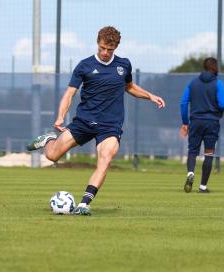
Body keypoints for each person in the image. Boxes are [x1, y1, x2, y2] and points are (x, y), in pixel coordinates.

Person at [27, 26, 165, 215]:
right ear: (97, 43)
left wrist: (150, 96)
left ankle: (84, 204)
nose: (106, 52)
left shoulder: (124, 65)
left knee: (106, 158)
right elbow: (69, 94)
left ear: (116, 47)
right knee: (52, 156)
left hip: (110, 126)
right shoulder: (84, 65)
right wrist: (60, 116)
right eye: (102, 48)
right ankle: (48, 140)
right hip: (83, 122)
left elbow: (130, 86)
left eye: (110, 49)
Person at [179, 57, 224, 193]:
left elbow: (183, 103)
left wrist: (185, 123)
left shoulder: (192, 83)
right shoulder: (218, 84)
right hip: (212, 122)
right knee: (209, 153)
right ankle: (203, 187)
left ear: (204, 67)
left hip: (196, 121)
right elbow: (222, 104)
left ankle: (190, 173)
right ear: (215, 68)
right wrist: (219, 113)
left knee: (193, 151)